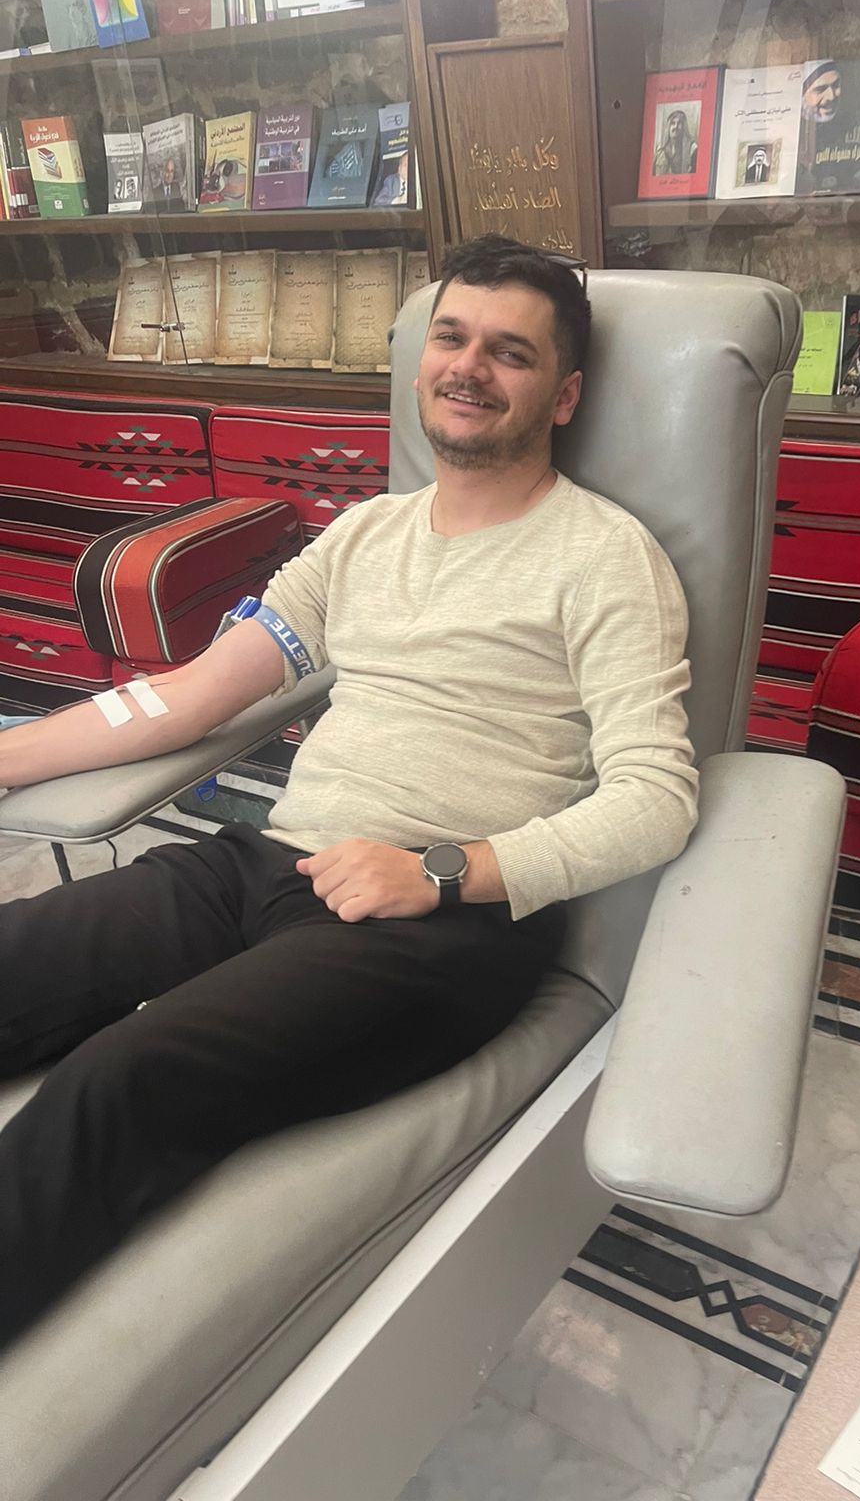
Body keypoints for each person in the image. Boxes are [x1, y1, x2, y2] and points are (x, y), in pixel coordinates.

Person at [0, 234, 699, 1344]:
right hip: (270, 864)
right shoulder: (362, 536)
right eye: (452, 338)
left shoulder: (607, 558)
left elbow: (657, 796)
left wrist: (441, 870)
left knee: (117, 1078)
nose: (469, 366)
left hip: (444, 922)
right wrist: (7, 758)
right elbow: (189, 697)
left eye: (510, 352)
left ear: (563, 397)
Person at [652, 109, 698, 177]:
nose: (675, 126)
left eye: (679, 123)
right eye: (673, 123)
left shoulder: (692, 149)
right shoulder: (660, 151)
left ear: (684, 127)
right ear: (669, 127)